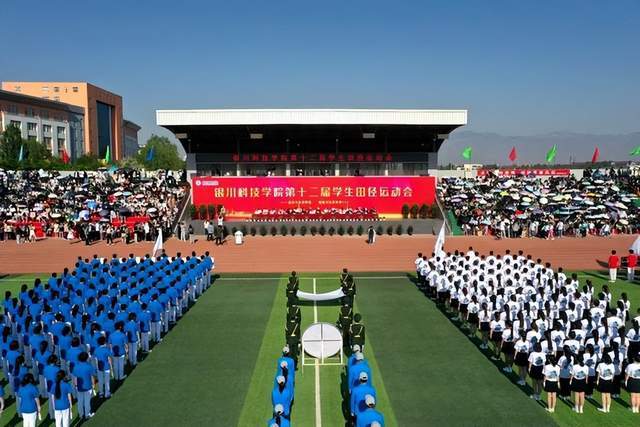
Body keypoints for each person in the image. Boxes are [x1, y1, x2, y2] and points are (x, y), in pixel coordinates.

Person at [72, 351, 96, 419]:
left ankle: (81, 414)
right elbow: (92, 377)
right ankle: (87, 414)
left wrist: (76, 385)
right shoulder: (89, 366)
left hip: (79, 387)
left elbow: (75, 378)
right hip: (88, 387)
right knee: (87, 401)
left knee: (80, 401)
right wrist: (93, 385)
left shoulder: (76, 366)